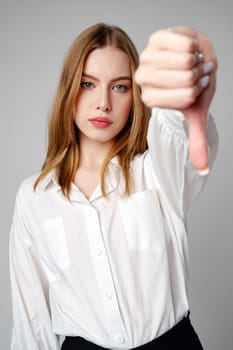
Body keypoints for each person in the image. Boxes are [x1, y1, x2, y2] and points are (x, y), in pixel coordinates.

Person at [9, 22, 218, 350]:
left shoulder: (156, 172)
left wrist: (184, 98)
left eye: (120, 87)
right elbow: (31, 319)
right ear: (69, 89)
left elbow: (185, 141)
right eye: (88, 84)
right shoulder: (34, 197)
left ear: (135, 97)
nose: (103, 103)